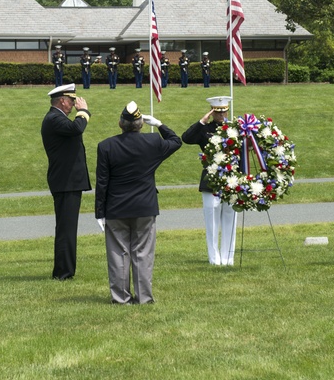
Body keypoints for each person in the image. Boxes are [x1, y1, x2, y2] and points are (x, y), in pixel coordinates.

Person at [95, 101, 181, 304]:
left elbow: (102, 182)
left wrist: (100, 211)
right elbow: (176, 141)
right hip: (144, 206)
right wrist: (159, 124)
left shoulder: (106, 146)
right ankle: (144, 297)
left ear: (120, 123)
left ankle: (121, 297)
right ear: (141, 124)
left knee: (118, 254)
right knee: (143, 253)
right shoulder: (153, 142)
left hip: (116, 207)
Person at [41, 83, 92, 280]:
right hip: (66, 182)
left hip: (68, 182)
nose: (73, 104)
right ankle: (63, 273)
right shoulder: (54, 119)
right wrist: (84, 111)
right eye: (71, 101)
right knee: (66, 229)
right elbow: (76, 128)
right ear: (62, 101)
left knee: (67, 228)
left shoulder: (56, 118)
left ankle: (64, 270)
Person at [181, 96, 238, 265]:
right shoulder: (205, 129)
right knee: (212, 218)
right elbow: (186, 138)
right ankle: (215, 259)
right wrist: (201, 121)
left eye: (224, 111)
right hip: (211, 179)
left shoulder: (234, 129)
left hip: (230, 179)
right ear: (213, 113)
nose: (221, 115)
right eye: (218, 112)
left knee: (230, 218)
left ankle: (228, 258)